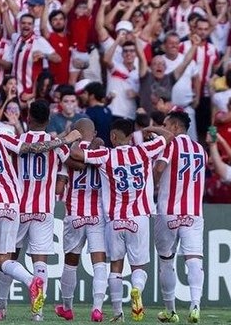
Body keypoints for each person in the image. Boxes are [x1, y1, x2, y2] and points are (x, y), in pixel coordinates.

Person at [0, 107, 80, 322]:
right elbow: (32, 148)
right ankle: (32, 282)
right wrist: (65, 139)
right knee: (2, 259)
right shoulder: (1, 137)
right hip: (12, 204)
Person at [70, 119, 173, 322]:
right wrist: (150, 129)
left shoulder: (105, 155)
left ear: (113, 137)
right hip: (139, 217)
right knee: (138, 267)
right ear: (130, 135)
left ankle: (117, 313)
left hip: (115, 220)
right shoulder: (144, 151)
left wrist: (74, 139)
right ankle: (136, 290)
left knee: (115, 266)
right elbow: (169, 137)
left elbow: (76, 154)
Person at [0, 100, 70, 321]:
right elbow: (73, 162)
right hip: (44, 209)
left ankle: (1, 306)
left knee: (9, 257)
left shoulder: (18, 141)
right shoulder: (58, 145)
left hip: (19, 208)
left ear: (27, 119)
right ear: (48, 120)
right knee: (40, 261)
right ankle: (37, 313)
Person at [153, 111, 207, 323]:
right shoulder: (200, 149)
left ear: (174, 127)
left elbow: (159, 167)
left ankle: (170, 310)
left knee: (166, 260)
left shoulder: (170, 144)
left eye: (165, 125)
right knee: (194, 258)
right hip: (193, 212)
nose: (163, 129)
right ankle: (195, 306)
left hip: (168, 211)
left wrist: (154, 180)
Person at [56, 118, 107, 322]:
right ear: (93, 133)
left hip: (75, 214)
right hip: (97, 216)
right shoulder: (102, 153)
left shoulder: (68, 154)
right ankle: (97, 308)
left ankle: (67, 307)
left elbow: (59, 189)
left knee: (71, 262)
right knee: (99, 262)